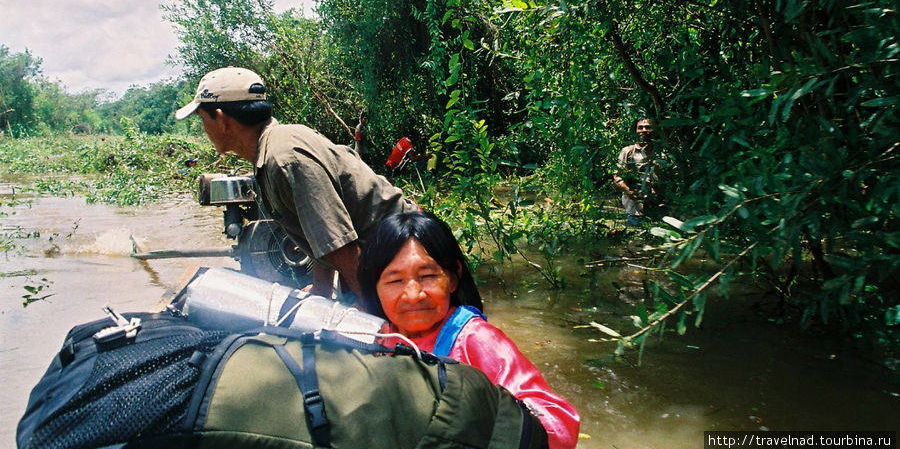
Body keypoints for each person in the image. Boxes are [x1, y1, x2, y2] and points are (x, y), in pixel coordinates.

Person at [175, 67, 419, 297]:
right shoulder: (272, 150)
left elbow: (340, 247)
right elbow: (322, 235)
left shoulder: (284, 159)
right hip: (376, 260)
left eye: (202, 119)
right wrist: (321, 291)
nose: (204, 129)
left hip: (408, 254)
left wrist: (373, 320)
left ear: (222, 119)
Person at [357, 211, 581, 449]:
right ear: (374, 287)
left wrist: (475, 414)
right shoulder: (378, 339)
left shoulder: (476, 340)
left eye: (428, 275)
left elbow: (560, 425)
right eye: (394, 281)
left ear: (454, 277)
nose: (414, 295)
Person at [612, 117, 666, 226]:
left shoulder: (662, 153)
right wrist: (630, 192)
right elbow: (617, 178)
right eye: (640, 127)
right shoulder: (628, 152)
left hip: (659, 209)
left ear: (654, 130)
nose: (644, 130)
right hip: (636, 211)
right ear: (636, 131)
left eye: (648, 127)